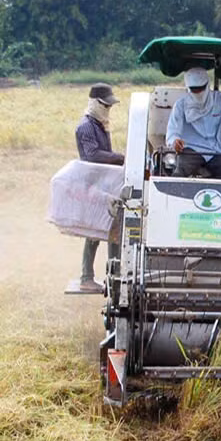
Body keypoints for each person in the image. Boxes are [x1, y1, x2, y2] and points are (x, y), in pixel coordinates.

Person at [75, 83, 123, 293]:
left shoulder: (100, 125)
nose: (108, 110)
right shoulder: (86, 127)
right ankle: (88, 277)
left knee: (112, 229)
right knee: (96, 231)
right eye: (105, 105)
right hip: (93, 185)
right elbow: (92, 155)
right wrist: (120, 158)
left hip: (104, 183)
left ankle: (115, 276)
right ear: (95, 104)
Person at [167, 67, 221, 178]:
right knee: (180, 170)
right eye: (194, 89)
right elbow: (173, 131)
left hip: (215, 150)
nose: (198, 92)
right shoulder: (180, 105)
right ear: (188, 88)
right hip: (191, 149)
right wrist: (175, 142)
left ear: (207, 85)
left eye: (201, 88)